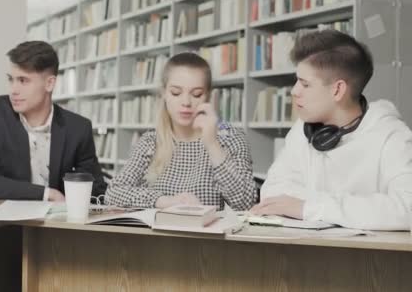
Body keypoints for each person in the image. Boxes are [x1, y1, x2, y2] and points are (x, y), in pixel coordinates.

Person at [251, 29, 412, 230]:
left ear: (337, 90)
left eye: (305, 84)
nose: (294, 91)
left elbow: (407, 209)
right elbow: (272, 195)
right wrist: (359, 209)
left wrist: (307, 207)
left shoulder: (393, 136)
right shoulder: (304, 129)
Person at [105, 52, 256, 210]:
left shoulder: (231, 138)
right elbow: (113, 193)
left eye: (196, 94)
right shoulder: (150, 141)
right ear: (164, 93)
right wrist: (163, 201)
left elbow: (245, 204)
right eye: (176, 93)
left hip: (205, 234)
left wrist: (212, 144)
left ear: (208, 96)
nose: (186, 102)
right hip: (156, 233)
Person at [0, 41, 106, 201]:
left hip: (59, 223)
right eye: (11, 79)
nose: (13, 90)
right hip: (7, 223)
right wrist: (47, 194)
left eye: (23, 81)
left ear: (49, 83)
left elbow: (95, 189)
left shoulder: (78, 128)